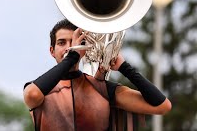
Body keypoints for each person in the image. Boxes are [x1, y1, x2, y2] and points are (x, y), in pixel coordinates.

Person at [23, 19, 171, 131]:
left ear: (84, 47)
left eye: (74, 42)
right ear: (52, 51)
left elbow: (162, 106)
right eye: (62, 43)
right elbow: (32, 95)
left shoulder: (101, 88)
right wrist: (73, 56)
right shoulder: (39, 88)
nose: (69, 47)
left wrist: (125, 68)